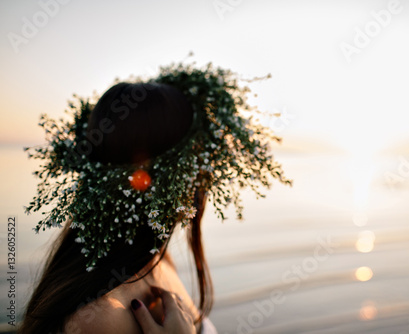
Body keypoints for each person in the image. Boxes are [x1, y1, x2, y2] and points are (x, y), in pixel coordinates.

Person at [20, 62, 292, 333]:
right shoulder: (99, 319)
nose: (206, 176)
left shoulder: (155, 261)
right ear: (179, 175)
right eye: (200, 162)